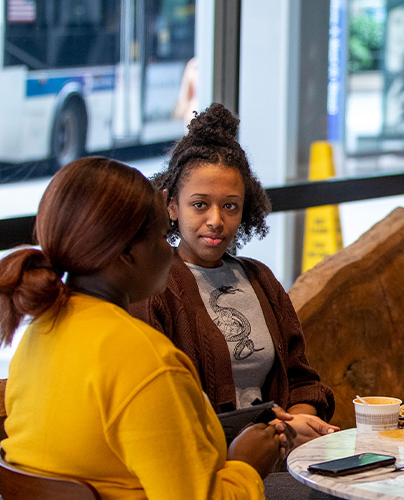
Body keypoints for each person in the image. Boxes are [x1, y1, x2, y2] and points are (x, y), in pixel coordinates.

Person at [0, 157, 284, 499]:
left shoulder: (39, 333)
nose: (169, 251)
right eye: (159, 237)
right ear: (126, 253)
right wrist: (245, 466)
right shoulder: (147, 361)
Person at [130, 103, 337, 448]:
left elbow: (302, 381)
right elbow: (157, 411)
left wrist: (298, 421)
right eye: (199, 204)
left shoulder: (261, 281)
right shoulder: (154, 289)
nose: (215, 220)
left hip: (276, 452)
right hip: (204, 465)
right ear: (171, 206)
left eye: (230, 206)